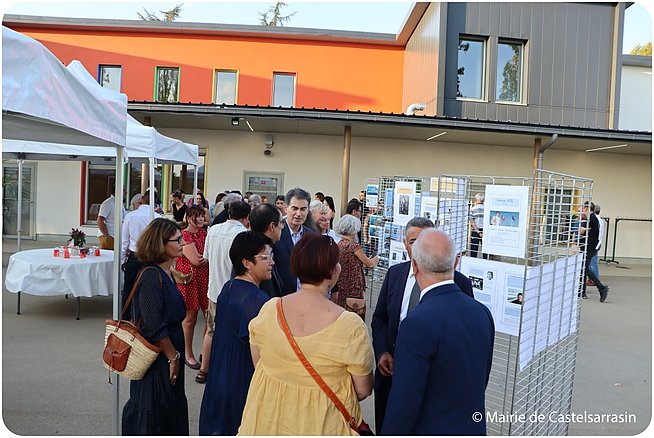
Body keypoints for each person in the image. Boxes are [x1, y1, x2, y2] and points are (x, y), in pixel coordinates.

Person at [238, 233, 375, 435]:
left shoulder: (269, 309)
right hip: (323, 422)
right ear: (333, 270)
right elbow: (363, 389)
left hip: (268, 417)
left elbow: (259, 364)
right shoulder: (349, 325)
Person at [381, 228, 494, 435]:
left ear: (414, 266)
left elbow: (405, 400)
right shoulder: (482, 313)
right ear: (455, 263)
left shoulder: (416, 323)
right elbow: (481, 378)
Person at [199, 232, 272, 435]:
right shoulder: (257, 299)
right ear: (247, 263)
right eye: (265, 258)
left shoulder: (229, 287)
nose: (271, 262)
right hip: (241, 376)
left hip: (220, 373)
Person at [121, 218, 189, 435]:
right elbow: (152, 323)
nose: (182, 243)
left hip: (166, 355)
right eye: (177, 240)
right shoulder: (151, 276)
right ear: (161, 244)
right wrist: (173, 357)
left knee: (167, 411)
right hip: (158, 361)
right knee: (156, 415)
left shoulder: (164, 272)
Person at [197, 201, 251, 383]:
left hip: (214, 289)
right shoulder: (243, 235)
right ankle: (223, 371)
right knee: (232, 335)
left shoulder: (213, 230)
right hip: (234, 292)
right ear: (246, 218)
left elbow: (205, 258)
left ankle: (203, 370)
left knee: (211, 330)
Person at [173, 205, 209, 370]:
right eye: (197, 216)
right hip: (190, 280)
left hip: (205, 279)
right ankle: (187, 354)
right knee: (190, 319)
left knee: (209, 318)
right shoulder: (185, 235)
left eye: (202, 216)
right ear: (188, 218)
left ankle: (205, 351)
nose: (201, 219)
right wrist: (211, 258)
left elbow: (202, 259)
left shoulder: (204, 232)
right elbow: (196, 260)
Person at [332, 215, 378, 317]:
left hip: (341, 284)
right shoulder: (354, 246)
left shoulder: (339, 244)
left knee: (342, 312)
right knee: (355, 313)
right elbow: (369, 263)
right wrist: (376, 259)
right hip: (354, 286)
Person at [272, 188, 316, 295]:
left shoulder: (312, 236)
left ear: (308, 210)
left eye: (303, 209)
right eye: (295, 208)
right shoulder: (275, 232)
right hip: (280, 297)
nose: (298, 214)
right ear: (286, 208)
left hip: (305, 297)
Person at [120, 190, 156, 320]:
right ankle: (146, 319)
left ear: (141, 200)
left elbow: (124, 241)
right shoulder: (157, 216)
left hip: (134, 255)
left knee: (129, 288)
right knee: (149, 290)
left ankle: (125, 319)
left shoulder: (130, 216)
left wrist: (122, 259)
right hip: (151, 256)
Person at [249, 203, 285, 298]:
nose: (282, 227)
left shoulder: (267, 247)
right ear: (272, 226)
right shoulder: (259, 255)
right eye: (281, 222)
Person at [579, 201, 609, 302]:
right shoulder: (591, 219)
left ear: (587, 209)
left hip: (590, 248)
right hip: (589, 247)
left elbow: (584, 230)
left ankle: (601, 288)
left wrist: (584, 229)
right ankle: (582, 291)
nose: (582, 210)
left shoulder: (592, 219)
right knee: (584, 269)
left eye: (583, 208)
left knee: (585, 269)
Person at [97, 184, 125, 250]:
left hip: (117, 236)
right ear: (118, 191)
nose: (126, 193)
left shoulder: (118, 202)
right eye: (124, 190)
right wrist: (107, 236)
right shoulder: (108, 203)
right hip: (110, 236)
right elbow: (100, 220)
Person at [588, 203, 604, 284]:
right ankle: (593, 278)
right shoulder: (600, 219)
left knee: (593, 262)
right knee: (592, 261)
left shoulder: (595, 219)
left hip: (595, 243)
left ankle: (594, 279)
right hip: (598, 242)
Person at [469, 193, 487, 259]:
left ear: (476, 200)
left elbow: (472, 222)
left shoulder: (472, 209)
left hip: (475, 231)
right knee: (485, 252)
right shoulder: (487, 209)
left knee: (473, 251)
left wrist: (478, 232)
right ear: (483, 200)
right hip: (485, 231)